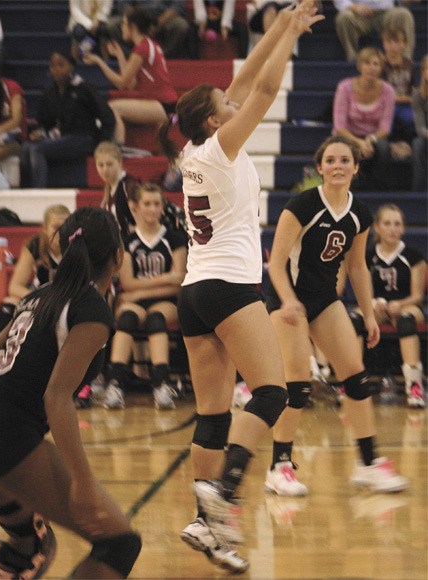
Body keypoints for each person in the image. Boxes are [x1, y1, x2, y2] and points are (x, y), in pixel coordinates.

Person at [159, 1, 324, 572]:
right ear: (214, 121)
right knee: (273, 393)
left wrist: (282, 22)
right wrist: (291, 41)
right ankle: (225, 493)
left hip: (194, 292)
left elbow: (246, 77)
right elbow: (266, 87)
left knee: (211, 415)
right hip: (229, 286)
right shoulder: (222, 147)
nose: (235, 102)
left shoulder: (192, 149)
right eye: (225, 105)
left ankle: (208, 529)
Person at [0, 207, 142, 579]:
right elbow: (57, 397)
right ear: (119, 257)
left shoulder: (39, 294)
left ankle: (17, 556)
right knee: (121, 543)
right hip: (5, 434)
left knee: (28, 543)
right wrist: (82, 480)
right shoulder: (91, 310)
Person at [263, 135, 409, 499]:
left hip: (326, 300)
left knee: (357, 377)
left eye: (345, 160)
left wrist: (370, 315)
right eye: (331, 160)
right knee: (297, 385)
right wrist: (288, 301)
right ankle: (279, 467)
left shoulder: (359, 213)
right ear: (320, 167)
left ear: (356, 168)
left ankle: (368, 464)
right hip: (288, 301)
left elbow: (357, 267)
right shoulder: (301, 206)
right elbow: (275, 262)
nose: (338, 166)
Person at [106, 182, 187, 410]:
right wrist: (167, 277)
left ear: (163, 207)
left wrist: (139, 291)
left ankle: (161, 384)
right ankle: (115, 384)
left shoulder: (175, 239)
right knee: (126, 319)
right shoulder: (127, 241)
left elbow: (179, 283)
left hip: (165, 301)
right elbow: (127, 282)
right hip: (135, 302)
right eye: (147, 204)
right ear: (135, 207)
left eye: (156, 204)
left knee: (156, 319)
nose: (152, 209)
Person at [351, 204, 426, 408]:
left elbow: (418, 296)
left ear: (403, 228)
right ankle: (354, 382)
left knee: (405, 320)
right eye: (387, 223)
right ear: (377, 227)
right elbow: (362, 291)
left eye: (397, 224)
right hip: (376, 307)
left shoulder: (413, 256)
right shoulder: (367, 256)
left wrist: (398, 304)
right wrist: (372, 304)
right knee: (356, 318)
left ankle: (414, 385)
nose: (392, 228)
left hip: (406, 306)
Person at [83, 7, 177, 148]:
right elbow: (130, 84)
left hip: (162, 104)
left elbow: (121, 84)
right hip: (165, 103)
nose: (121, 27)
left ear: (132, 27)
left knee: (112, 107)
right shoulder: (148, 45)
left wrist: (99, 61)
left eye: (124, 24)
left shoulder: (141, 49)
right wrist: (120, 55)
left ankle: (119, 147)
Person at [20, 51, 115, 188]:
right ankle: (23, 192)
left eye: (61, 65)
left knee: (37, 150)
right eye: (52, 66)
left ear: (71, 67)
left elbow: (107, 116)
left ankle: (37, 192)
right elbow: (44, 122)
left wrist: (102, 143)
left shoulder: (83, 88)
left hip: (84, 138)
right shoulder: (49, 92)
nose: (56, 69)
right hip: (62, 137)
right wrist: (40, 132)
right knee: (26, 147)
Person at [0, 205, 71, 331]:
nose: (60, 233)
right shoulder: (35, 245)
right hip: (40, 298)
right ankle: (9, 347)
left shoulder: (76, 246)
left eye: (65, 227)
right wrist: (42, 300)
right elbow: (15, 287)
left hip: (67, 298)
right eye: (56, 227)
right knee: (8, 305)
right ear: (45, 229)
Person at [333, 46, 394, 190]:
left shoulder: (388, 91)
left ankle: (378, 189)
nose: (371, 68)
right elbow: (339, 126)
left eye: (376, 64)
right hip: (348, 135)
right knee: (345, 147)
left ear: (381, 68)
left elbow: (385, 128)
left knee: (383, 148)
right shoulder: (344, 87)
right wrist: (358, 142)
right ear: (360, 65)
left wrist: (369, 140)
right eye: (367, 63)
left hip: (373, 137)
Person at [332, 0, 416, 62]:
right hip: (357, 14)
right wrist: (354, 7)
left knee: (404, 15)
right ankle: (353, 59)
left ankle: (405, 60)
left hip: (386, 12)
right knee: (343, 17)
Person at [108, 0, 190, 59]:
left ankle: (161, 57)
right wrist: (137, 21)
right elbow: (123, 4)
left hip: (164, 16)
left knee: (181, 25)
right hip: (136, 15)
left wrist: (158, 23)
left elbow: (177, 6)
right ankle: (133, 56)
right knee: (112, 25)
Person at [381, 25, 416, 148]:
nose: (392, 46)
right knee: (384, 122)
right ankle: (388, 147)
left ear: (404, 44)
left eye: (396, 42)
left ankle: (410, 146)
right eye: (388, 42)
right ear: (383, 43)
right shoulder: (380, 63)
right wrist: (402, 98)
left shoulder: (409, 64)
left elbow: (413, 86)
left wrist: (413, 97)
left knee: (412, 120)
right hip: (385, 104)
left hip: (405, 105)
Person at [412, 54, 428, 192]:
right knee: (418, 144)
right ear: (423, 72)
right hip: (426, 136)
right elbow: (420, 127)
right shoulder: (418, 95)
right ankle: (418, 189)